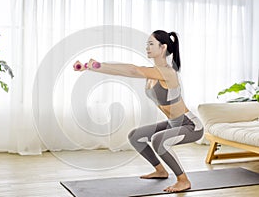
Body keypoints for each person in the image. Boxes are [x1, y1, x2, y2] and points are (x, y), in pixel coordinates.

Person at [73, 30, 204, 193]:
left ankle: (183, 180)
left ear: (163, 48)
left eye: (151, 44)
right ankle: (160, 171)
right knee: (136, 136)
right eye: (146, 44)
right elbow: (126, 71)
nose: (147, 48)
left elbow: (133, 69)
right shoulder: (152, 73)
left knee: (158, 140)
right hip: (173, 123)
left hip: (190, 125)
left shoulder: (168, 72)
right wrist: (94, 67)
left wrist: (98, 66)